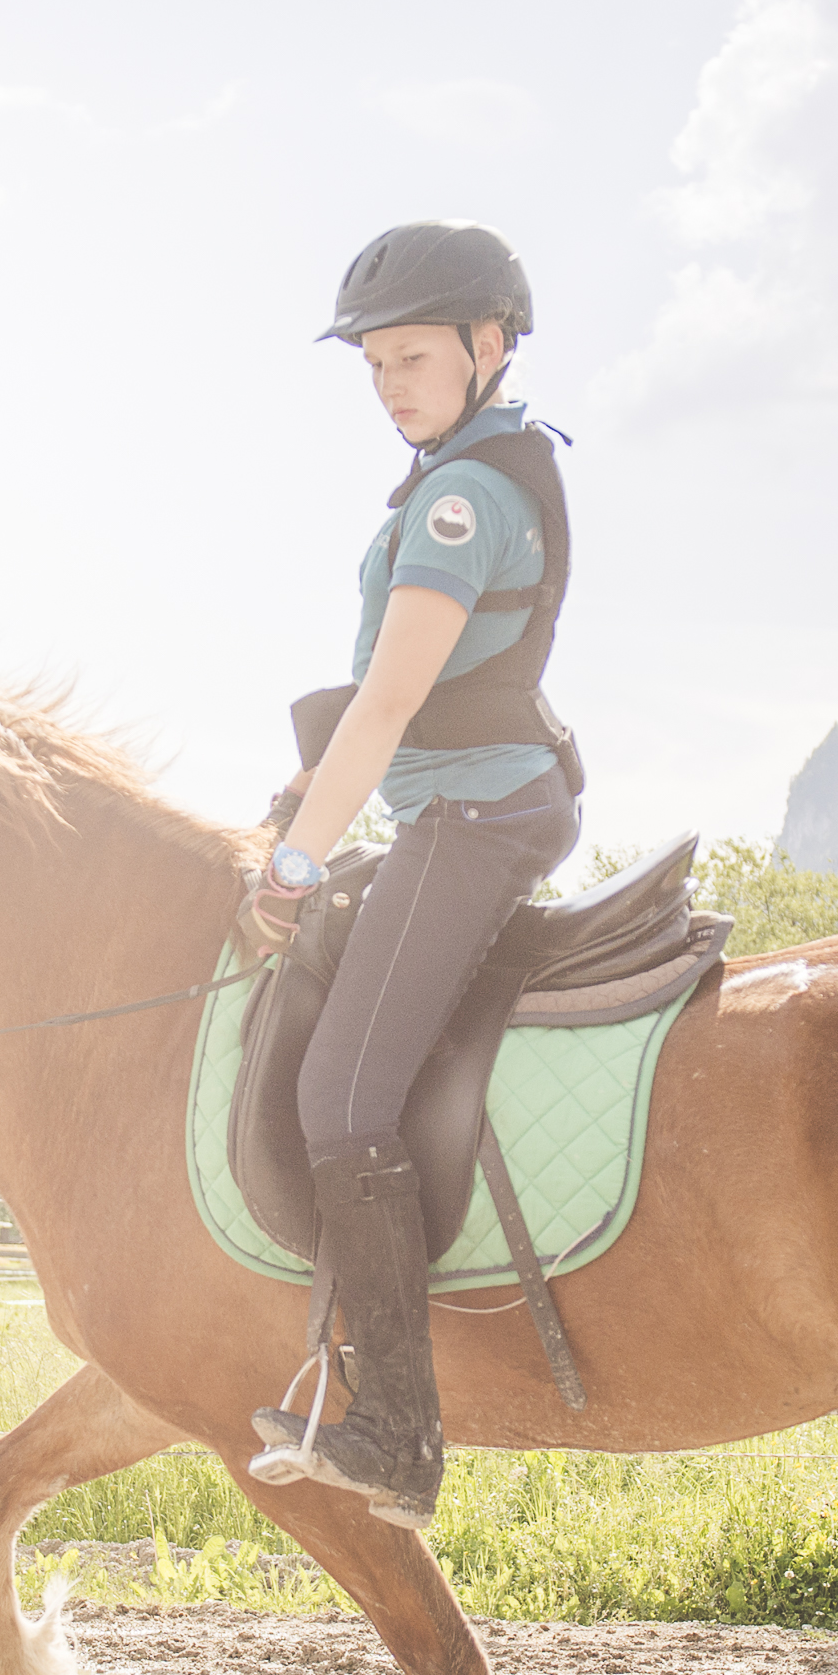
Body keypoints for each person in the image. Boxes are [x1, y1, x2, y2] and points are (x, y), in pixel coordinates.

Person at [241, 219, 582, 1528]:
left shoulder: (462, 497)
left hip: (476, 821)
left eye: (413, 357)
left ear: (488, 347)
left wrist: (292, 860)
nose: (389, 383)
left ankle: (394, 1429)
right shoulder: (464, 470)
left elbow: (388, 708)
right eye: (374, 363)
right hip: (461, 805)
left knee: (342, 1093)